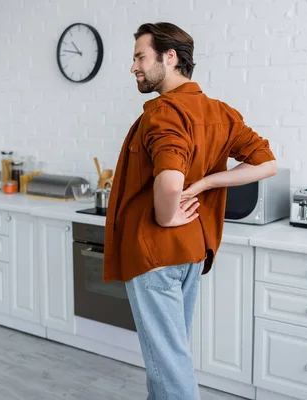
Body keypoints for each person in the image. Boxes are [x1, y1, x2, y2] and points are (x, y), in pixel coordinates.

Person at [103, 22, 277, 400]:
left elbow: (169, 181)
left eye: (139, 56)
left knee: (168, 361)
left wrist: (168, 212)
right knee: (170, 355)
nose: (133, 66)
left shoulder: (164, 113)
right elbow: (266, 164)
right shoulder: (219, 112)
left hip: (155, 251)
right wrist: (206, 183)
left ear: (170, 57)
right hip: (192, 249)